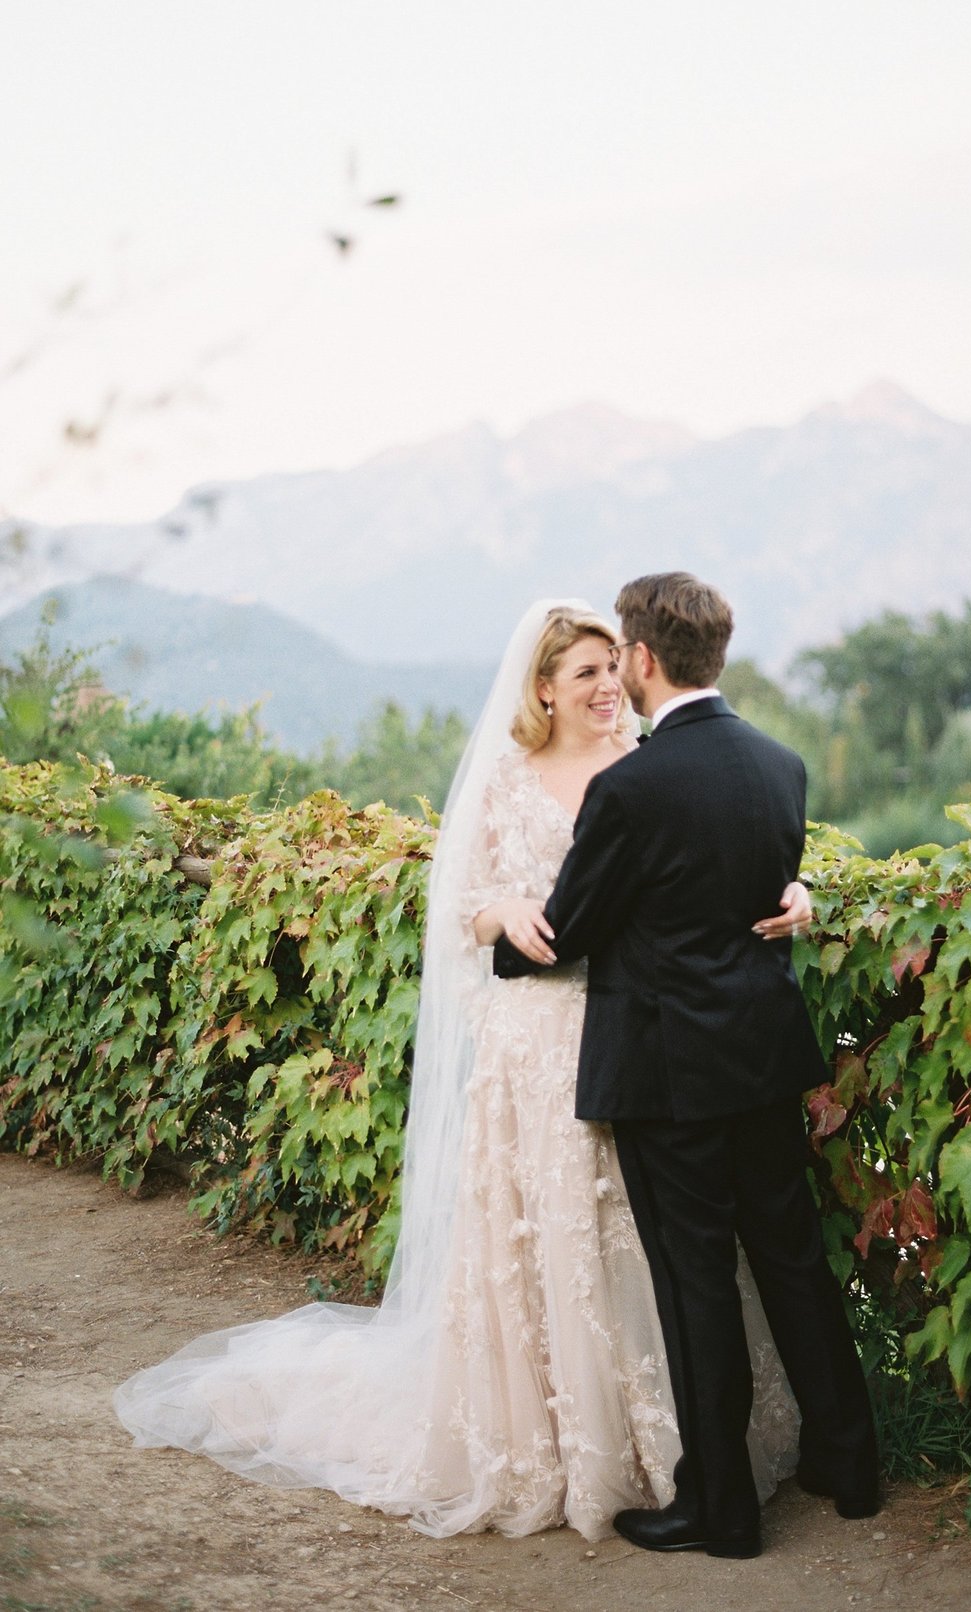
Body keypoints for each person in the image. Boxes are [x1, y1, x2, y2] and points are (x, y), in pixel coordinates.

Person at [113, 599, 812, 1542]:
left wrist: (798, 887)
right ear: (543, 691)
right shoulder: (507, 780)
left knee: (648, 1247)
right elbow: (464, 904)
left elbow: (731, 851)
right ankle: (554, 1444)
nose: (610, 689)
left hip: (644, 1038)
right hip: (535, 1041)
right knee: (548, 1236)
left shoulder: (653, 768)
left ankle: (683, 1451)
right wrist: (501, 914)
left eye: (615, 668)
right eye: (587, 676)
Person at [493, 574, 879, 1559]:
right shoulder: (777, 765)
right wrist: (797, 899)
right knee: (792, 1257)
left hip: (668, 1070)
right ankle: (851, 1460)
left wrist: (503, 935)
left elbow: (564, 931)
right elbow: (756, 888)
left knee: (696, 1279)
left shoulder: (629, 788)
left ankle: (722, 1508)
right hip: (761, 1051)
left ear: (644, 659)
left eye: (619, 649)